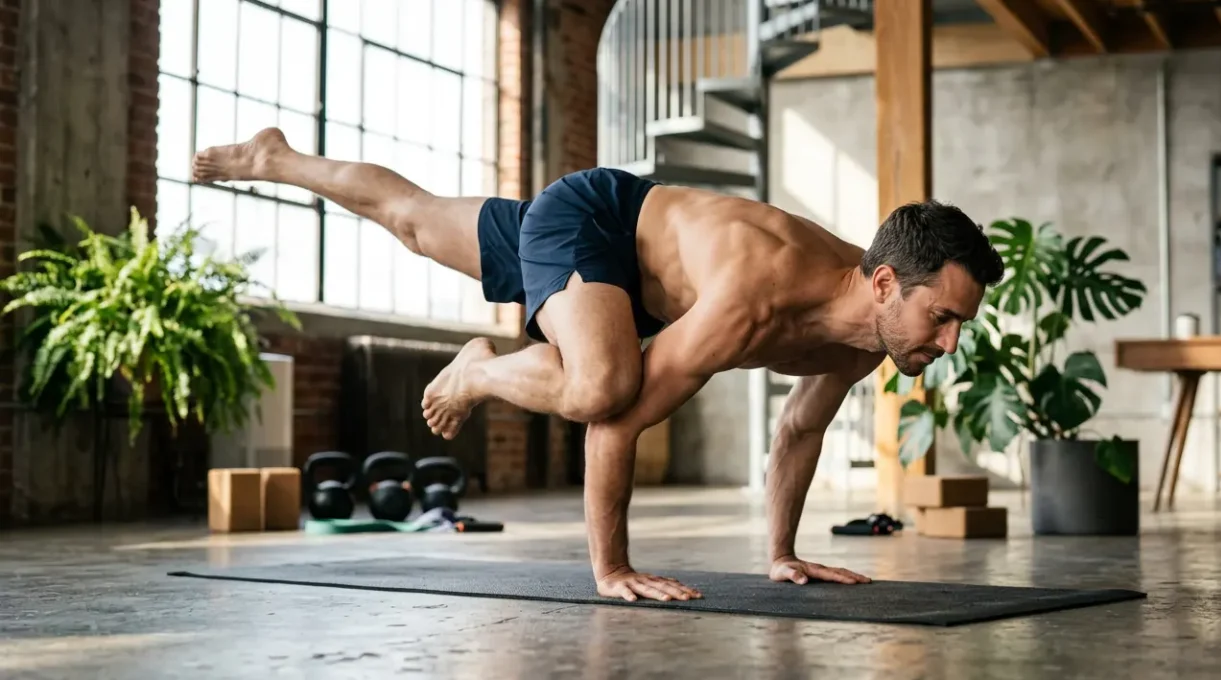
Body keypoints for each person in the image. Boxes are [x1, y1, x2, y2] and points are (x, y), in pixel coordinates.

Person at [192, 128, 1005, 603]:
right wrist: (611, 568)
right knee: (601, 383)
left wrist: (781, 555)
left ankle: (277, 158)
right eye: (943, 319)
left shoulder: (869, 334)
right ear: (887, 283)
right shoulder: (757, 295)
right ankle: (478, 366)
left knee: (412, 221)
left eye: (959, 325)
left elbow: (798, 429)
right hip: (594, 217)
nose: (948, 344)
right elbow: (616, 419)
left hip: (640, 276)